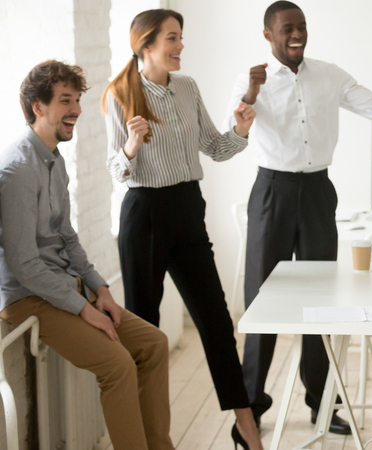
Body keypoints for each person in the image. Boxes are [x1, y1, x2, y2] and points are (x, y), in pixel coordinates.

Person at [222, 0, 372, 433]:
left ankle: (321, 403)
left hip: (317, 192)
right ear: (268, 35)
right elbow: (231, 134)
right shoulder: (250, 80)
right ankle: (250, 411)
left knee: (321, 302)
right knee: (262, 302)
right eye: (286, 28)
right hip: (272, 191)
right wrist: (249, 98)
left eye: (301, 26)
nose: (296, 34)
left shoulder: (330, 75)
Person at [101, 9, 263, 450]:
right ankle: (150, 437)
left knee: (215, 322)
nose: (180, 46)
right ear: (146, 44)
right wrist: (132, 147)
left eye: (181, 37)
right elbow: (116, 170)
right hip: (145, 216)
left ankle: (247, 429)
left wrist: (241, 131)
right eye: (172, 38)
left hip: (188, 209)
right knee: (147, 330)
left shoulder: (187, 87)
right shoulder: (119, 94)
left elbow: (214, 146)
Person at [0, 60, 173, 450]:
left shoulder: (53, 160)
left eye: (77, 99)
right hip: (28, 298)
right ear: (37, 107)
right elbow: (24, 265)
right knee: (117, 365)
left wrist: (101, 289)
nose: (76, 109)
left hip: (63, 286)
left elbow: (65, 235)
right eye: (65, 100)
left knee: (154, 344)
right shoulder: (15, 171)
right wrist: (84, 308)